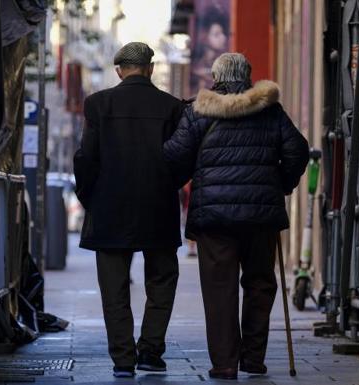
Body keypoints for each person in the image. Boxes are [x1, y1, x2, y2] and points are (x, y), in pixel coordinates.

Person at [163, 53, 309, 380]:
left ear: (216, 77)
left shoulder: (198, 112)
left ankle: (225, 363)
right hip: (260, 215)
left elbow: (174, 156)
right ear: (249, 74)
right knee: (259, 284)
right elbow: (298, 150)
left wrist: (187, 180)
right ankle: (254, 359)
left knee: (219, 288)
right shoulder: (270, 110)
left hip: (215, 218)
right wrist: (281, 185)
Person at [73, 42, 185, 378]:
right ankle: (150, 351)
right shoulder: (171, 107)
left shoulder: (98, 104)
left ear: (119, 70)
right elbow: (182, 157)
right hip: (158, 206)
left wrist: (90, 197)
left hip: (109, 208)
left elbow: (85, 158)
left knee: (114, 288)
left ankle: (123, 359)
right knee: (162, 280)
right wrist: (169, 185)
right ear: (150, 69)